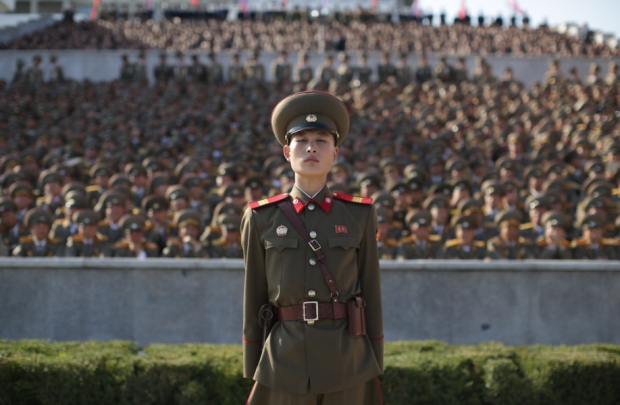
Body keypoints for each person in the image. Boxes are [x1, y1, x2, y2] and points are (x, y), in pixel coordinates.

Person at [241, 91, 383, 404]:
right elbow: (254, 295)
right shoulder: (261, 216)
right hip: (284, 361)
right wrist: (254, 363)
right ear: (286, 152)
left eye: (321, 140)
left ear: (335, 153)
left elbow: (371, 291)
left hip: (348, 360)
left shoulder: (359, 214)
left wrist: (375, 357)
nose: (310, 147)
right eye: (301, 139)